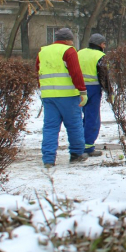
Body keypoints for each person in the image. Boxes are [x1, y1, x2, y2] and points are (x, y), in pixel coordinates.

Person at [37, 27, 87, 167]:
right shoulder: (69, 51)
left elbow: (38, 71)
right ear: (68, 40)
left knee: (50, 127)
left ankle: (48, 159)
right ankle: (77, 153)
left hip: (48, 96)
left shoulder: (43, 51)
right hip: (68, 96)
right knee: (74, 125)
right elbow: (75, 72)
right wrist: (82, 91)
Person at [77, 33, 113, 157]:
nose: (105, 46)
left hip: (77, 88)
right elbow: (104, 76)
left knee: (79, 118)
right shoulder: (100, 56)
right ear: (99, 44)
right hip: (93, 88)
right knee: (92, 117)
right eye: (104, 44)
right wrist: (110, 92)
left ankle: (78, 144)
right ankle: (88, 146)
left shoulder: (79, 53)